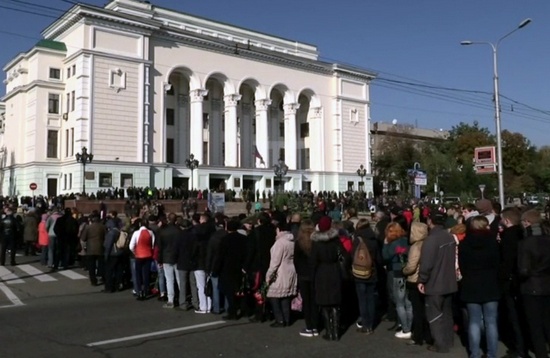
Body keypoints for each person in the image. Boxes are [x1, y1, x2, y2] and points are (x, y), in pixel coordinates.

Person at [459, 216, 501, 358]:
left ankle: (474, 353)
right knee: (491, 322)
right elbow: (497, 264)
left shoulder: (464, 244)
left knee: (474, 321)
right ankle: (491, 353)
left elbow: (462, 266)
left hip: (471, 283)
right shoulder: (493, 243)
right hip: (490, 283)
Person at [417, 210, 458, 354]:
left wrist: (422, 279)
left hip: (435, 282)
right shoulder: (449, 237)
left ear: (430, 221)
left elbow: (426, 264)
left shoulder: (431, 239)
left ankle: (440, 344)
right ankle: (448, 340)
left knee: (434, 314)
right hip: (449, 280)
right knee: (447, 314)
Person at [518, 210, 550, 358]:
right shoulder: (548, 239)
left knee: (535, 325)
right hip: (547, 285)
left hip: (531, 287)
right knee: (547, 322)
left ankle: (541, 354)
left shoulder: (526, 243)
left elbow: (523, 269)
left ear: (527, 223)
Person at [498, 208, 528, 358]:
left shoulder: (508, 237)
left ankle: (519, 348)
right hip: (523, 280)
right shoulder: (523, 234)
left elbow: (506, 261)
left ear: (507, 220)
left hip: (511, 281)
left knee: (514, 316)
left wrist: (502, 277)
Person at [310, 216, 345, 341]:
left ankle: (329, 331)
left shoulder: (317, 243)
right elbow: (344, 255)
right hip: (334, 271)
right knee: (335, 303)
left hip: (322, 272)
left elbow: (313, 262)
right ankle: (336, 332)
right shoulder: (335, 241)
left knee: (325, 304)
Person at [403, 221, 432, 346]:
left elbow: (411, 266)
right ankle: (428, 335)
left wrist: (404, 270)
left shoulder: (416, 246)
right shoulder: (429, 243)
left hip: (415, 279)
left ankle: (418, 336)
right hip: (428, 279)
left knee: (417, 310)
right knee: (427, 309)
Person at [383, 222, 412, 339]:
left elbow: (385, 257)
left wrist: (385, 244)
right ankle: (410, 325)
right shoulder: (405, 241)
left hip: (396, 272)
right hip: (407, 272)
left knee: (399, 303)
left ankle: (405, 328)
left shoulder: (392, 244)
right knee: (408, 302)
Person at [265, 220, 297, 328]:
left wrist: (269, 275)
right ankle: (287, 318)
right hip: (291, 270)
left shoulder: (279, 243)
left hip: (280, 271)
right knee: (286, 297)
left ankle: (279, 319)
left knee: (274, 297)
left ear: (278, 229)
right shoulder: (292, 241)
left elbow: (275, 262)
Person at [353, 219, 382, 335]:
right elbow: (379, 258)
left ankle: (365, 323)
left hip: (359, 271)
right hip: (372, 271)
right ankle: (370, 324)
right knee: (370, 298)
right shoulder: (374, 240)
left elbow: (352, 255)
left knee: (362, 299)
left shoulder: (357, 239)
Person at [294, 219, 319, 337]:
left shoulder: (299, 242)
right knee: (314, 301)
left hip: (303, 275)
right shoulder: (316, 242)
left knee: (306, 301)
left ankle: (309, 326)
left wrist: (298, 271)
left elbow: (296, 261)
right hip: (315, 274)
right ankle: (315, 325)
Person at [129, 218, 156, 300]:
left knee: (138, 274)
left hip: (139, 256)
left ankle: (139, 291)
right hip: (148, 255)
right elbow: (152, 245)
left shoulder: (136, 233)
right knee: (146, 273)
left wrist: (135, 252)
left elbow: (131, 246)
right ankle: (146, 290)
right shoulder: (151, 233)